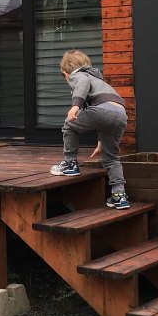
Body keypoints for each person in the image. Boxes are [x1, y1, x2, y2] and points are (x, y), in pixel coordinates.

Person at [50, 49, 130, 210]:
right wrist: (101, 141)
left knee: (69, 125)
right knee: (111, 157)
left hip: (103, 110)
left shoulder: (79, 76)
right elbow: (106, 114)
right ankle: (119, 196)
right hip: (120, 114)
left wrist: (75, 106)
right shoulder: (97, 80)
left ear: (66, 73)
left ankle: (70, 163)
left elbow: (82, 86)